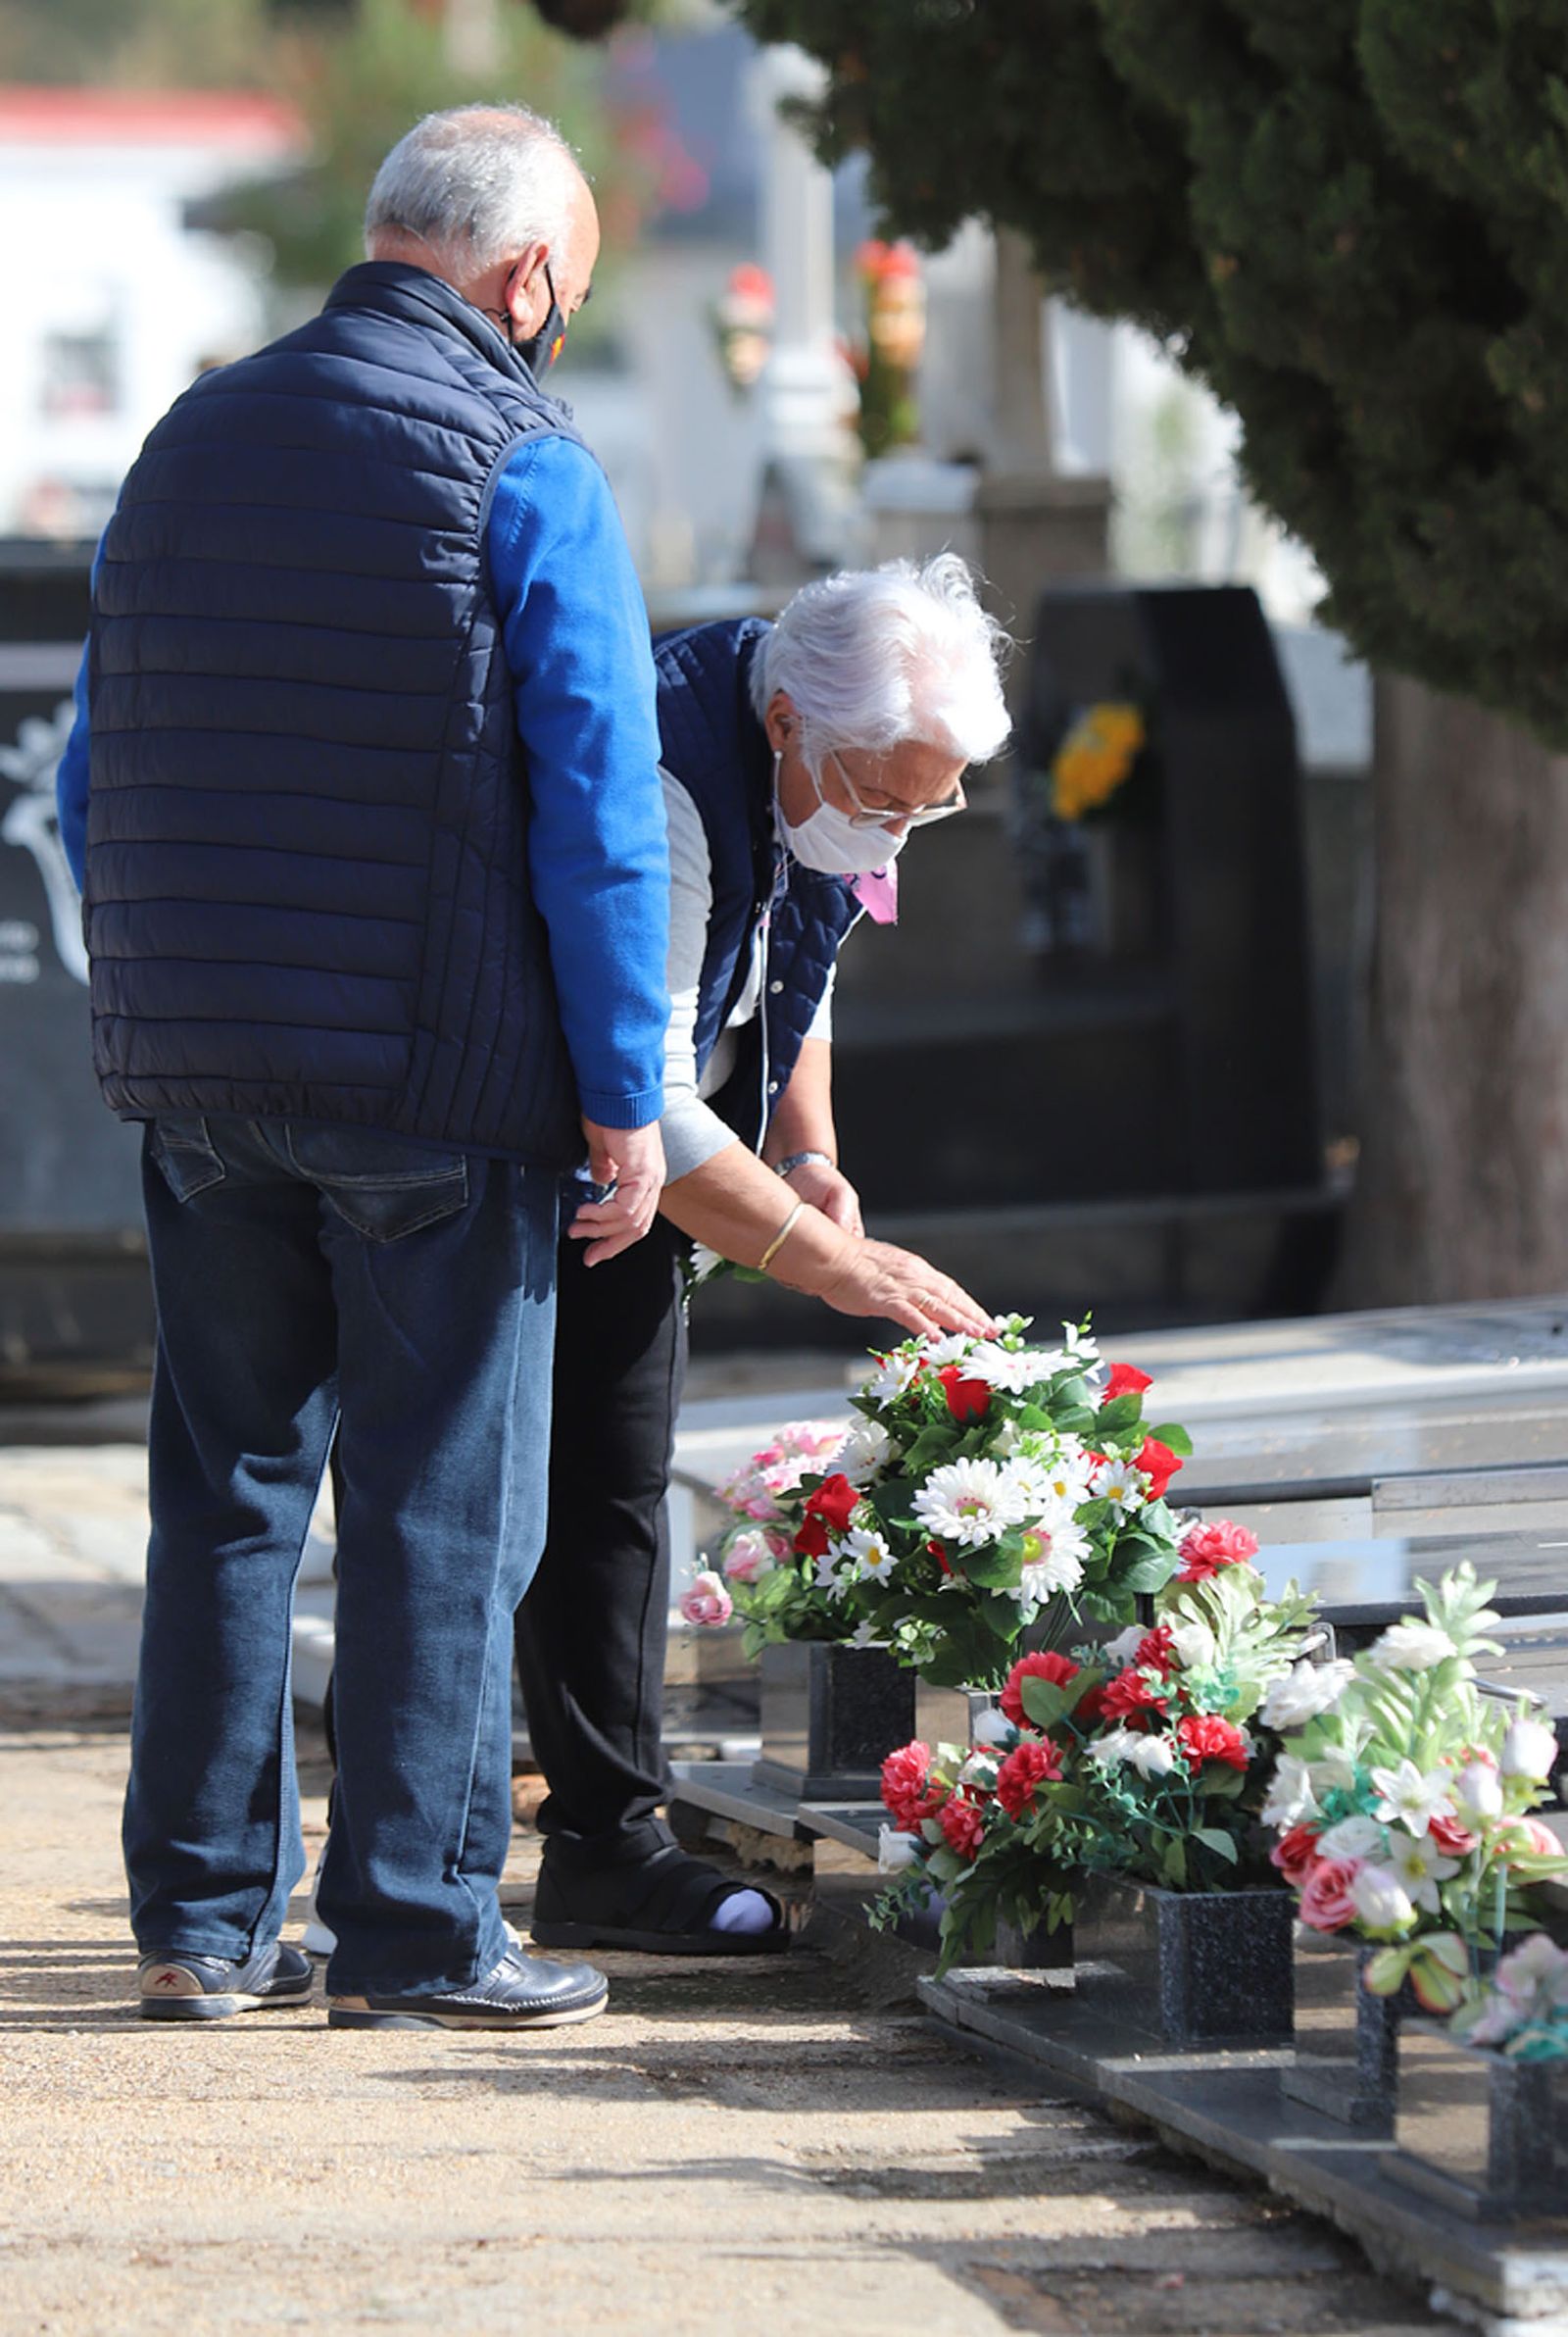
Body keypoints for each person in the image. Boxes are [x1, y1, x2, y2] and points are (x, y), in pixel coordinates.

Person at [54, 104, 673, 2031]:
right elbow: (597, 811)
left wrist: (178, 991)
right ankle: (416, 1931)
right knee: (436, 1506)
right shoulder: (526, 461)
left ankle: (201, 1927)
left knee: (226, 1488)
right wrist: (625, 1093)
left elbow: (93, 774)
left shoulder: (184, 440)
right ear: (529, 276)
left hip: (199, 1068)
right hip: (431, 1075)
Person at [516, 556, 1010, 1955]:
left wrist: (807, 1150)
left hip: (677, 1130)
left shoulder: (831, 759)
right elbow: (647, 1083)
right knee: (574, 1483)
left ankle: (599, 1832)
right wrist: (824, 1262)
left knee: (613, 1477)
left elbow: (811, 946)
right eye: (883, 798)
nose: (896, 833)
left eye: (930, 806)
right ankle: (592, 1844)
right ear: (789, 723)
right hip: (568, 1144)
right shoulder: (668, 774)